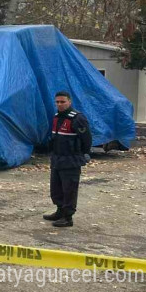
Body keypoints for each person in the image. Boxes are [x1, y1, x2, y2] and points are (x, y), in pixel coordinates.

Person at [43, 91, 92, 228]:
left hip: (71, 160)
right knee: (56, 188)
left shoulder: (77, 118)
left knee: (69, 189)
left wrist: (84, 154)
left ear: (69, 102)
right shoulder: (57, 117)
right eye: (57, 102)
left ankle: (67, 217)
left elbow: (86, 139)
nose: (59, 104)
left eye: (62, 102)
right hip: (57, 159)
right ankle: (59, 211)